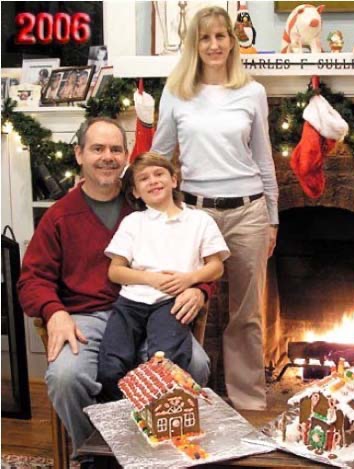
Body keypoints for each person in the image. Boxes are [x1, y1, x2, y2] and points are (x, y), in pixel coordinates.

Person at [17, 117, 213, 460]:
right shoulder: (60, 216)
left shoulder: (145, 204)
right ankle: (98, 455)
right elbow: (32, 279)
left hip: (153, 309)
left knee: (195, 364)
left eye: (115, 149)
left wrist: (200, 290)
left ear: (125, 157)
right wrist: (55, 312)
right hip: (85, 318)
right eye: (97, 149)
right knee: (66, 377)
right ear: (79, 154)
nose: (107, 157)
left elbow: (195, 250)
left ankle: (162, 454)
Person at [151, 6, 278, 411]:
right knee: (187, 303)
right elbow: (159, 155)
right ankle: (187, 395)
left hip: (248, 213)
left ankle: (248, 403)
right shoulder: (176, 92)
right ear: (195, 44)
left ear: (232, 40)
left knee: (246, 312)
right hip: (194, 213)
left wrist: (272, 218)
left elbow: (264, 159)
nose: (214, 45)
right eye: (205, 38)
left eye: (221, 36)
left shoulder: (252, 92)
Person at [98, 152, 230, 400]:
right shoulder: (133, 222)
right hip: (130, 303)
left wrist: (188, 279)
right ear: (136, 192)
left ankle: (161, 418)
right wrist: (151, 279)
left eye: (159, 174)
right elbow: (115, 271)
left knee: (166, 362)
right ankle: (120, 419)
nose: (153, 181)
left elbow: (216, 266)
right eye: (144, 178)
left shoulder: (199, 221)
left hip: (169, 303)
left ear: (174, 180)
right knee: (111, 363)